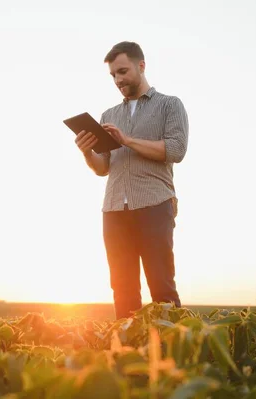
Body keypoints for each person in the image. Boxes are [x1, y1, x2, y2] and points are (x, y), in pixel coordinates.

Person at [74, 41, 189, 319]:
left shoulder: (169, 105)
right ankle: (128, 357)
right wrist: (87, 151)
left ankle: (173, 356)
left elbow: (176, 150)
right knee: (122, 290)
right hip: (114, 210)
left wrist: (127, 140)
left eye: (123, 71)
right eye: (113, 75)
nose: (118, 80)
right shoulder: (108, 115)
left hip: (154, 204)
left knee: (162, 287)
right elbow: (103, 168)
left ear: (141, 66)